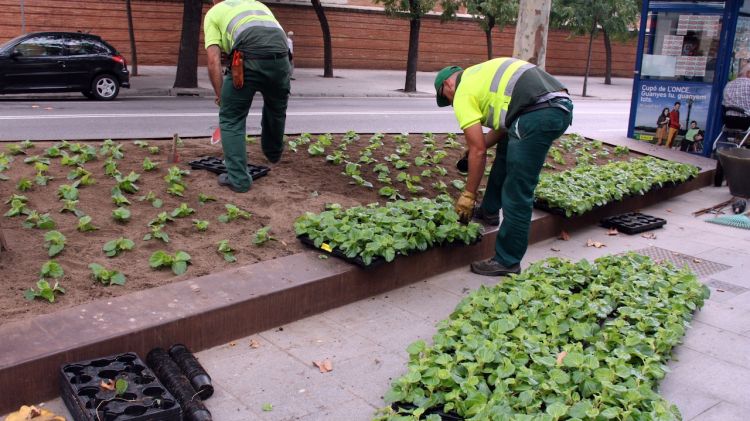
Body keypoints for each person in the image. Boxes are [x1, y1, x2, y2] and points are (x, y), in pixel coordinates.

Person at [434, 58, 573, 276]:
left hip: (536, 114)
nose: (451, 104)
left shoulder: (462, 93)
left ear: (448, 85)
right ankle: (489, 211)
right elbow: (503, 126)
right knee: (506, 150)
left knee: (517, 190)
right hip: (554, 105)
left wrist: (468, 195)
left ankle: (507, 260)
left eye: (446, 99)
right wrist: (475, 148)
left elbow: (479, 152)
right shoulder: (477, 75)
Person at [204, 0, 291, 193]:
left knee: (231, 118)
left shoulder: (214, 12)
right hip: (282, 58)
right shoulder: (256, 4)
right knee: (276, 108)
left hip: (247, 59)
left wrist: (221, 96)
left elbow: (213, 60)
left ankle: (239, 180)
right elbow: (277, 39)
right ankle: (273, 153)